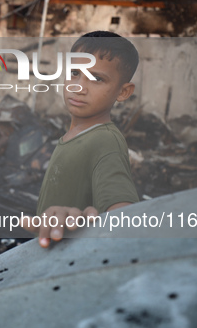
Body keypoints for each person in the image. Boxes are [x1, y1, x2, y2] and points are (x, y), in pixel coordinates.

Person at [24, 31, 140, 248]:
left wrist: (83, 220)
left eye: (97, 78)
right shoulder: (75, 135)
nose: (79, 87)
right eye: (74, 73)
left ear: (123, 92)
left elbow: (125, 220)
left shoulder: (105, 141)